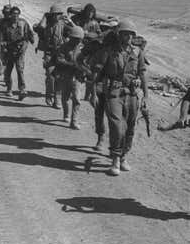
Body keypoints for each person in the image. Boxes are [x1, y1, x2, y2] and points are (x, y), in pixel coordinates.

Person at [92, 19, 148, 176]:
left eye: (130, 34)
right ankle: (115, 158)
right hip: (113, 92)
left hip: (132, 94)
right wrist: (92, 92)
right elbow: (97, 71)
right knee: (117, 126)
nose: (128, 37)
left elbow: (142, 74)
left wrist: (146, 96)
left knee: (130, 127)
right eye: (125, 34)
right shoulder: (109, 51)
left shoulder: (137, 52)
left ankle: (124, 156)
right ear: (119, 35)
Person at [35, 4, 68, 108]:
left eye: (59, 14)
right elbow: (40, 27)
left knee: (59, 77)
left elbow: (75, 31)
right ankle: (49, 95)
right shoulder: (46, 24)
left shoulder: (63, 24)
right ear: (51, 15)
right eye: (55, 14)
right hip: (49, 53)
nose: (57, 16)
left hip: (60, 54)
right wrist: (45, 16)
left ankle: (57, 99)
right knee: (50, 76)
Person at [0, 6, 35, 100]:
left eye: (17, 14)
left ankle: (22, 90)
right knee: (7, 72)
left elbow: (29, 36)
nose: (15, 16)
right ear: (10, 15)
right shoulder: (5, 25)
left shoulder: (23, 23)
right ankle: (9, 88)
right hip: (8, 52)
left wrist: (26, 45)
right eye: (13, 14)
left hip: (19, 51)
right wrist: (2, 45)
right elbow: (1, 38)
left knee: (20, 70)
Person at [52, 26, 85, 129]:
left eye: (79, 39)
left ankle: (74, 121)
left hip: (78, 77)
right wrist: (71, 64)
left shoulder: (83, 48)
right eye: (75, 38)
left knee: (76, 98)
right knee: (65, 98)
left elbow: (88, 61)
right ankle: (66, 114)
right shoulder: (64, 47)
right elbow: (59, 60)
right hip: (66, 75)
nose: (77, 40)